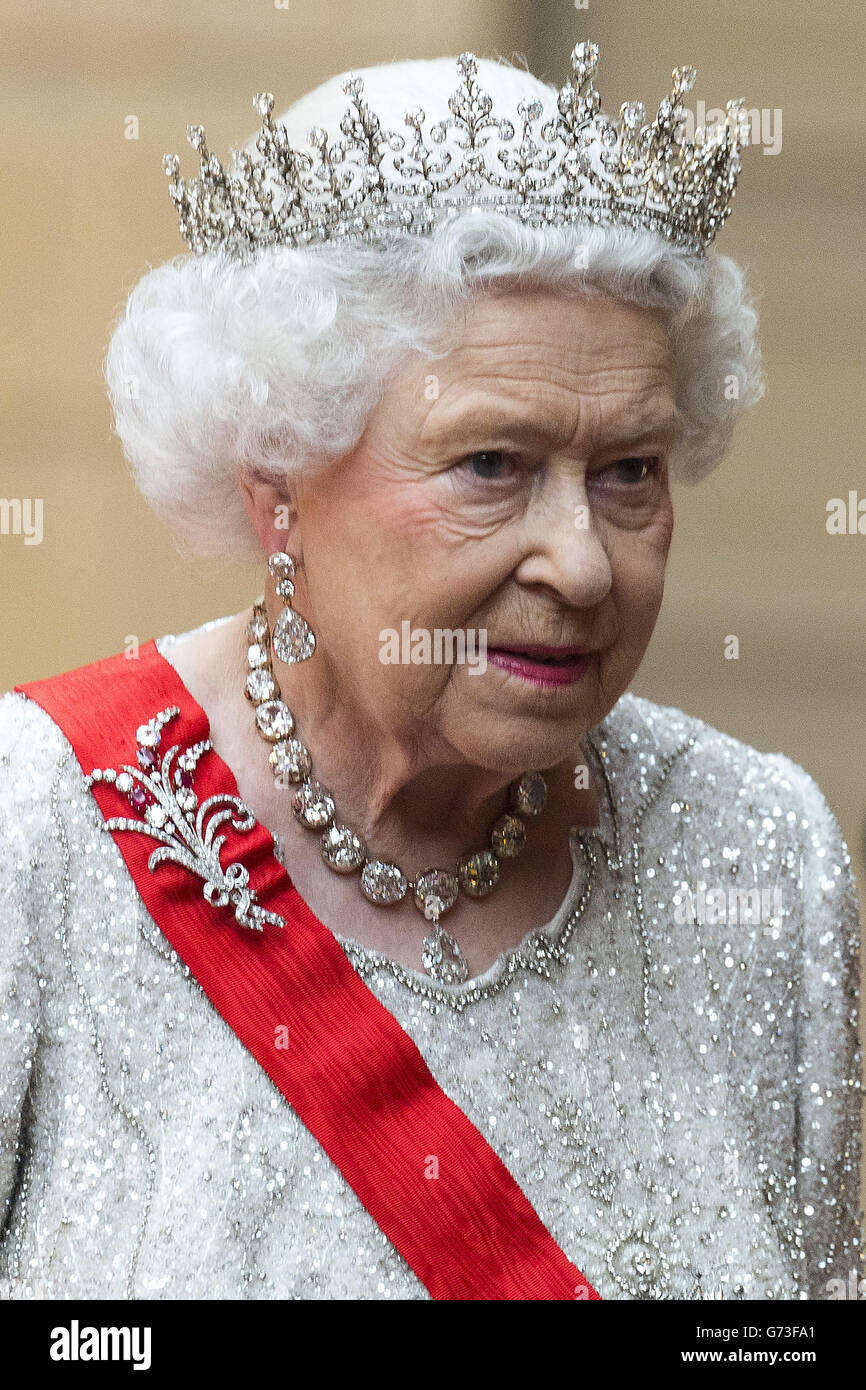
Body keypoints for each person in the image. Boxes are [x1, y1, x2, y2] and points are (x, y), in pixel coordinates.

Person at [0, 41, 860, 1300]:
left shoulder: (755, 853)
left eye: (628, 470)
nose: (580, 564)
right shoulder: (37, 836)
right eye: (489, 465)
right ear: (278, 485)